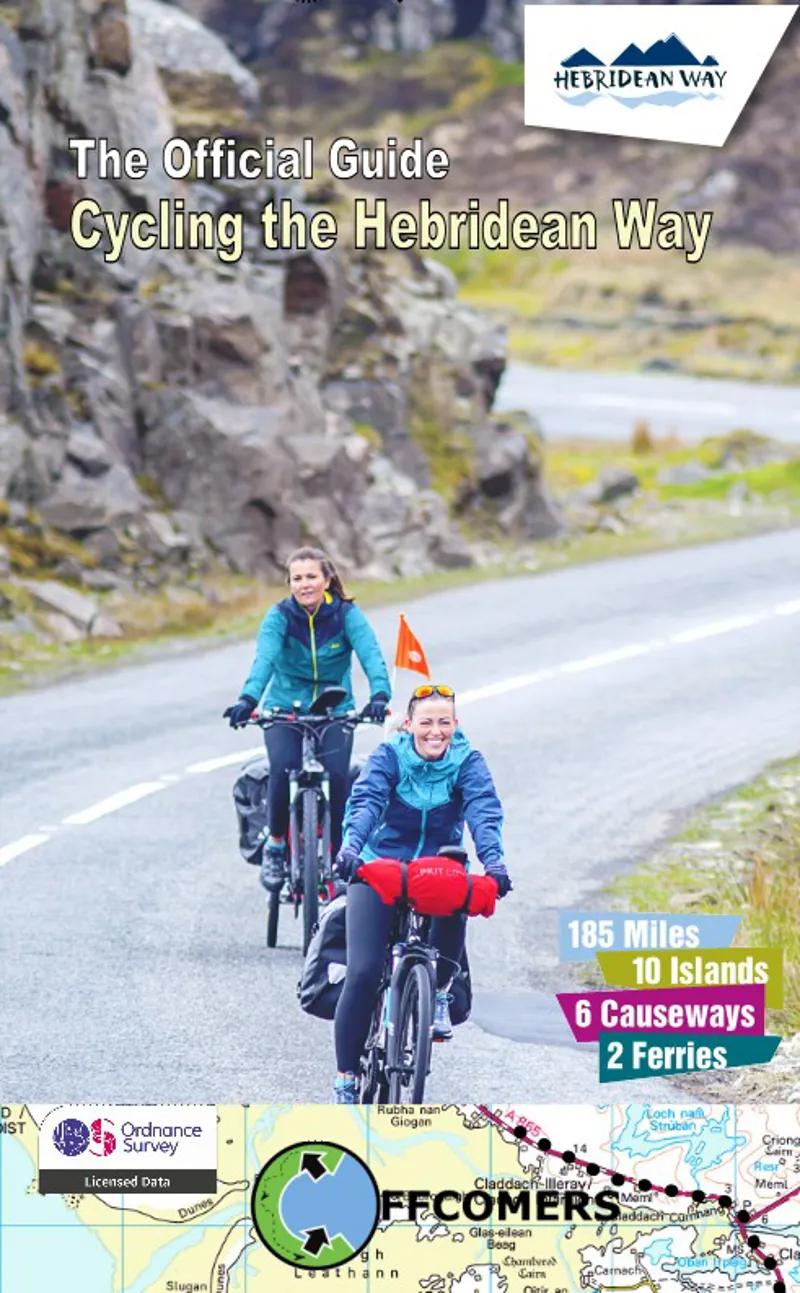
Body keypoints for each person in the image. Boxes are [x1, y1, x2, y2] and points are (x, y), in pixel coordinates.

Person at [330, 683, 512, 1104]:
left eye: (444, 722)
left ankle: (440, 993)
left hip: (437, 866)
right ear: (409, 724)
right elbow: (366, 802)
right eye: (426, 722)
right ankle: (345, 1078)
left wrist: (495, 864)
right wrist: (351, 849)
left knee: (456, 894)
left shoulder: (469, 761)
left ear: (456, 724)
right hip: (379, 865)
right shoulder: (389, 757)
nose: (436, 731)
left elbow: (484, 812)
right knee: (362, 972)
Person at [223, 547, 391, 891]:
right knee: (283, 771)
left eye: (311, 576)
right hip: (285, 706)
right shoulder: (280, 616)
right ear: (289, 584)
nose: (305, 584)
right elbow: (265, 659)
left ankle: (341, 855)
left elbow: (370, 653)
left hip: (335, 706)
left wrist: (379, 696)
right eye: (297, 579)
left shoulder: (346, 614)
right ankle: (275, 847)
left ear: (327, 579)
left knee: (340, 779)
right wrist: (248, 699)